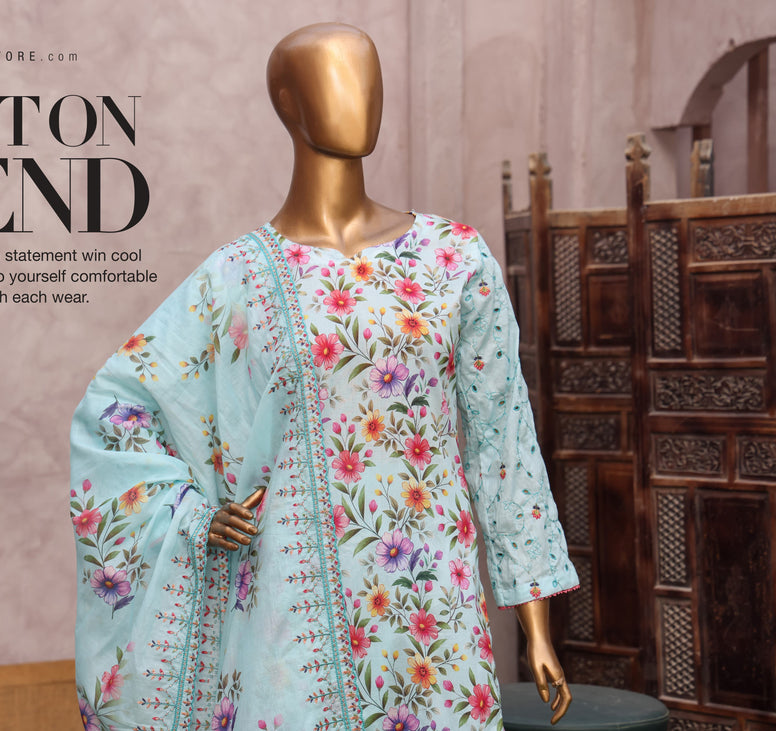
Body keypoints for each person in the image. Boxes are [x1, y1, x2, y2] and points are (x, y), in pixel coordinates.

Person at [70, 22, 578, 731]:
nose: (360, 99)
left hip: (436, 616)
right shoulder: (237, 277)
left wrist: (536, 625)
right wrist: (194, 516)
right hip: (292, 626)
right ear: (288, 102)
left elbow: (504, 445)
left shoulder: (456, 260)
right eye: (336, 79)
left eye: (370, 79)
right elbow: (116, 410)